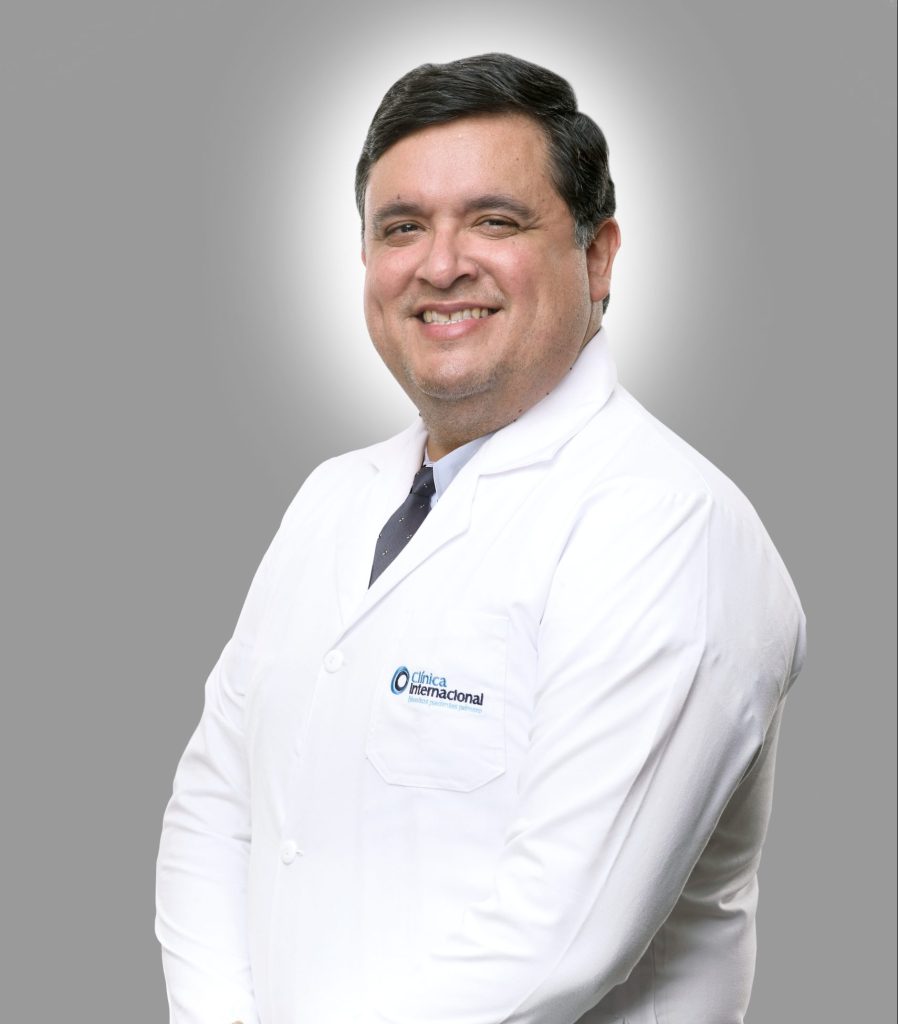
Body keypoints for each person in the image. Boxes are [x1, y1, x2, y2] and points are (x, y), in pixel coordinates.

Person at [156, 53, 806, 1024]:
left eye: (494, 221)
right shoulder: (332, 502)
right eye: (401, 227)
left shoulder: (667, 526)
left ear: (597, 257)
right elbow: (214, 809)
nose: (440, 264)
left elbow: (557, 941)